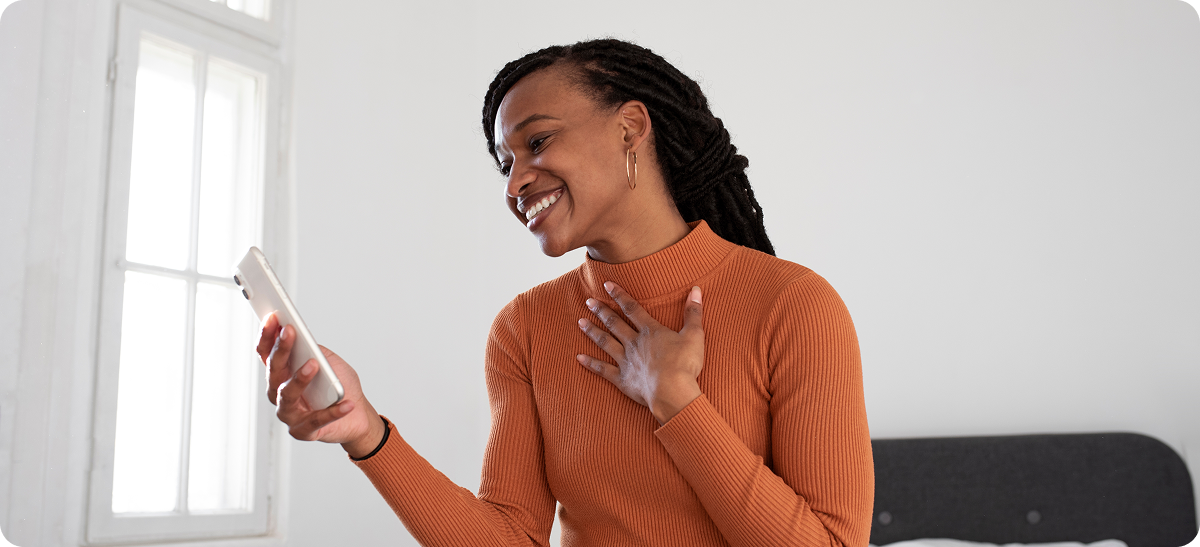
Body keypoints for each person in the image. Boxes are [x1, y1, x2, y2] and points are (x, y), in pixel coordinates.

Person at [257, 38, 873, 547]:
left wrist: (676, 400)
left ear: (631, 127)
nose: (516, 182)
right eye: (506, 164)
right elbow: (511, 536)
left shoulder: (793, 305)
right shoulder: (524, 328)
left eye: (538, 142)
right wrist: (366, 432)